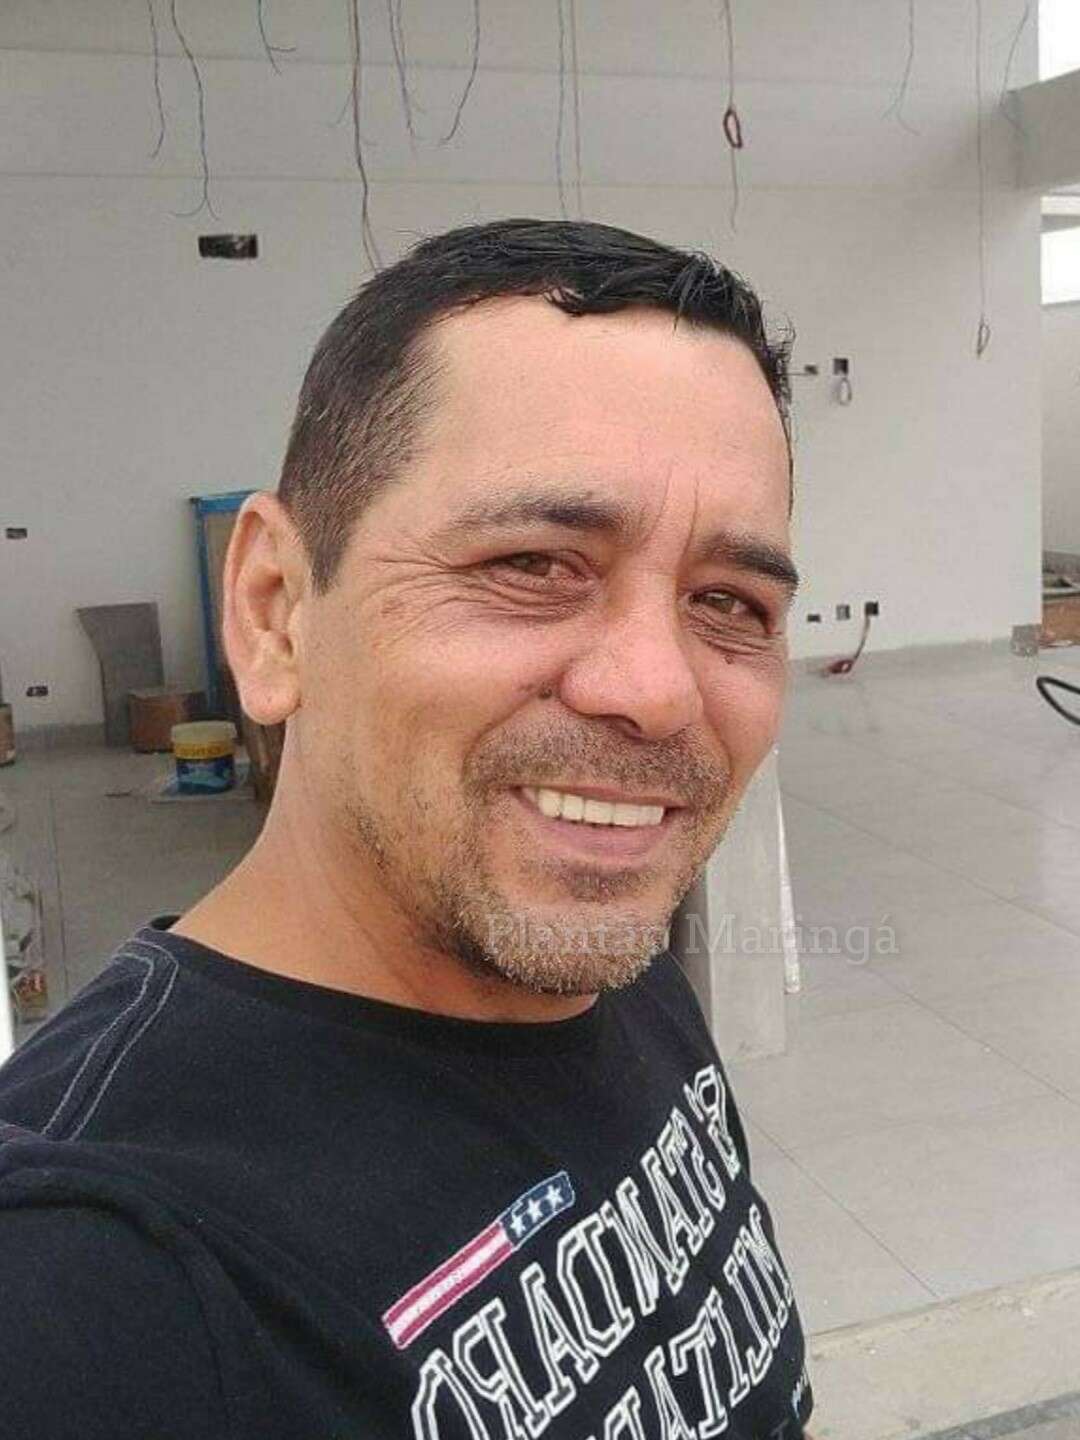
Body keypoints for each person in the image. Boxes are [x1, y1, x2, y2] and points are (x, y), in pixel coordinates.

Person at [0, 218, 816, 1438]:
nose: (658, 692)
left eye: (729, 603)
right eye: (533, 563)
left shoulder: (610, 951)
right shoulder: (92, 1282)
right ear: (276, 612)